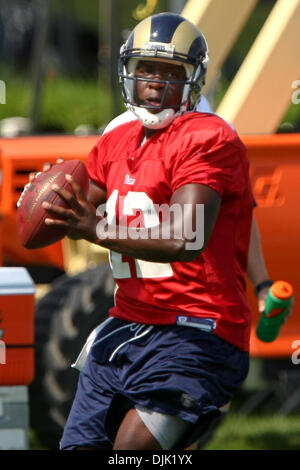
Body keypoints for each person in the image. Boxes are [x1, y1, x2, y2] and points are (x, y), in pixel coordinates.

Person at [40, 13, 257, 450]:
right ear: (129, 73)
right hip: (126, 325)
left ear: (192, 80)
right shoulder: (117, 137)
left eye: (171, 71)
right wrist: (48, 203)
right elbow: (68, 215)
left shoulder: (207, 136)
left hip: (195, 331)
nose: (156, 81)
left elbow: (186, 237)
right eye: (146, 69)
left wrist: (94, 227)